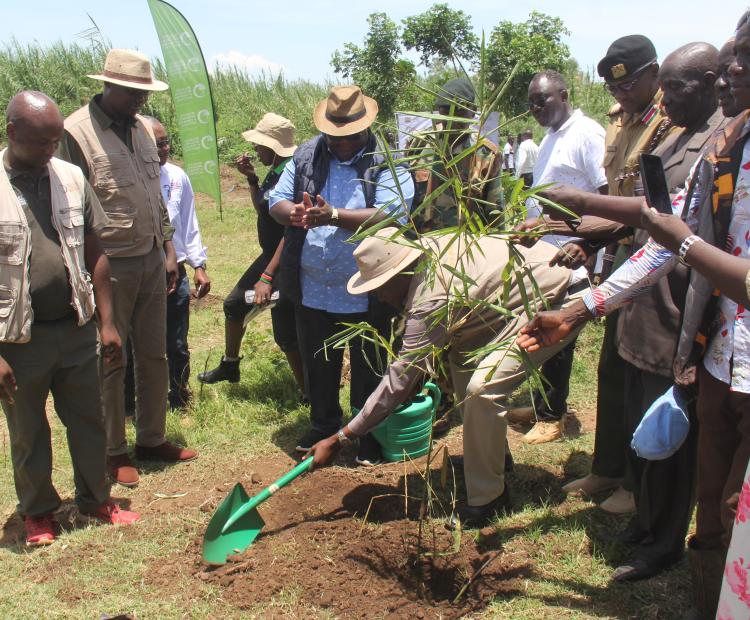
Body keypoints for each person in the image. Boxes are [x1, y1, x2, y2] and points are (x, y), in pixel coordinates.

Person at [518, 13, 750, 615]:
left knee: (725, 501)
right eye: (729, 64)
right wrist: (580, 306)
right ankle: (682, 561)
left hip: (699, 327)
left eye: (738, 64)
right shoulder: (722, 151)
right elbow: (661, 239)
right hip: (711, 344)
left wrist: (622, 224)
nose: (732, 76)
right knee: (707, 491)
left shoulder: (712, 139)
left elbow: (675, 237)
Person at [306, 228, 590, 527]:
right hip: (516, 299)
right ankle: (494, 460)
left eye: (379, 286)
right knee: (462, 362)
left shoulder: (431, 295)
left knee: (483, 388)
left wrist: (342, 437)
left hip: (561, 299)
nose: (378, 295)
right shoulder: (425, 254)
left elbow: (400, 378)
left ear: (401, 272)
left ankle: (489, 499)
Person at [0, 91, 140, 545]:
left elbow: (96, 250)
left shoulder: (70, 177)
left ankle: (97, 499)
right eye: (39, 142)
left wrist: (108, 321)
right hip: (17, 340)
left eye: (55, 141)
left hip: (76, 325)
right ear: (11, 133)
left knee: (89, 418)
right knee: (27, 430)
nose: (48, 151)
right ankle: (38, 512)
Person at [57, 49, 197, 488]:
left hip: (153, 258)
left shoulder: (141, 129)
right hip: (108, 263)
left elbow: (155, 194)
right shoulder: (74, 132)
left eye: (145, 92)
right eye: (133, 91)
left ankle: (152, 438)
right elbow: (67, 207)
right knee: (111, 358)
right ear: (109, 85)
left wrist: (169, 250)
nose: (140, 99)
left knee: (154, 354)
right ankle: (114, 449)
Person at [269, 85, 414, 464]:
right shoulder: (306, 155)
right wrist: (294, 214)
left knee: (368, 361)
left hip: (368, 284)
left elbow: (391, 211)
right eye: (335, 135)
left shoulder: (387, 158)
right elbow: (276, 200)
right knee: (319, 360)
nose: (342, 142)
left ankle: (364, 433)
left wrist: (334, 215)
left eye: (349, 135)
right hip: (313, 283)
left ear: (364, 128)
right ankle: (323, 426)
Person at [508, 70, 608, 445]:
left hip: (573, 253)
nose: (536, 109)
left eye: (542, 101)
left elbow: (608, 195)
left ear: (564, 95)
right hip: (547, 252)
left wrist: (586, 243)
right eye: (531, 103)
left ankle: (553, 415)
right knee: (543, 325)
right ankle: (540, 405)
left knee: (559, 335)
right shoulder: (551, 137)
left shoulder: (587, 134)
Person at [198, 113, 304, 395]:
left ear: (275, 146)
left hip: (285, 259)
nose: (256, 149)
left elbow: (290, 231)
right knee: (234, 305)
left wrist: (268, 275)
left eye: (260, 144)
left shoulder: (292, 174)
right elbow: (263, 208)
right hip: (269, 255)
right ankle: (230, 364)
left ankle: (311, 395)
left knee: (286, 333)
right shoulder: (276, 170)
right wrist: (252, 179)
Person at [419, 77, 504, 232]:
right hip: (427, 246)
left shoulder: (486, 156)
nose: (452, 115)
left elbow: (495, 215)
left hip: (467, 249)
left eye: (459, 109)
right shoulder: (421, 147)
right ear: (439, 111)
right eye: (446, 108)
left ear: (472, 112)